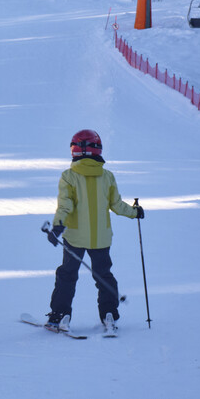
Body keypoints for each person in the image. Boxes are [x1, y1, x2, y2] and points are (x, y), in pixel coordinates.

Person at [44, 129, 143, 334]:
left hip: (75, 237)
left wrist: (58, 226)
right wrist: (134, 213)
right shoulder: (107, 176)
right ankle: (109, 314)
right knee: (103, 275)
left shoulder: (68, 176)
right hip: (101, 238)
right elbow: (116, 205)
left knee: (67, 275)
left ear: (75, 151)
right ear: (97, 149)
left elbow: (65, 206)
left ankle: (60, 316)